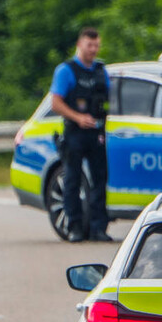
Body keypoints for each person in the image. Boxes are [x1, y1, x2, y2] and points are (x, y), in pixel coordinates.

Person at [50, 27, 112, 242]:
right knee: (72, 181)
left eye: (96, 45)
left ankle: (98, 228)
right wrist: (77, 117)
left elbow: (109, 99)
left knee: (99, 180)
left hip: (97, 133)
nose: (93, 50)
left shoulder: (100, 70)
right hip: (75, 131)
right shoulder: (66, 70)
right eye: (89, 45)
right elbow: (56, 102)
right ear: (80, 44)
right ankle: (75, 227)